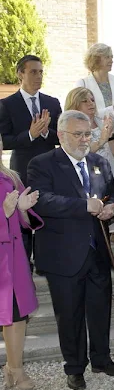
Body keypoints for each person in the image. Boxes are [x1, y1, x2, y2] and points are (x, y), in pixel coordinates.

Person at [28, 110, 114, 390]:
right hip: (63, 254)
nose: (84, 140)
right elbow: (41, 200)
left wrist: (109, 209)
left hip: (97, 250)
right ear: (61, 135)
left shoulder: (98, 163)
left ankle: (102, 359)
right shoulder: (42, 163)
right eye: (78, 134)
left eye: (88, 134)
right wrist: (83, 206)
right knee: (69, 315)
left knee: (99, 308)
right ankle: (74, 367)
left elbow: (112, 193)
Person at [0, 55, 61, 264]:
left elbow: (61, 135)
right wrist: (30, 135)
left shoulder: (52, 103)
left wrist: (45, 133)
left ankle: (47, 261)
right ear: (20, 74)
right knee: (23, 216)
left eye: (41, 72)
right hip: (22, 170)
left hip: (51, 169)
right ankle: (24, 265)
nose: (38, 76)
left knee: (48, 213)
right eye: (33, 72)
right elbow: (4, 140)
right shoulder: (7, 104)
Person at [0, 134, 42, 390]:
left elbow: (25, 222)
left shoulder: (11, 177)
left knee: (17, 316)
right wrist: (3, 214)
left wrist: (23, 209)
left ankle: (14, 368)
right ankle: (13, 369)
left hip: (13, 259)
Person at [64, 87, 114, 249]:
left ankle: (113, 233)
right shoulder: (71, 128)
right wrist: (102, 139)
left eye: (92, 99)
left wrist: (111, 134)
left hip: (108, 169)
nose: (91, 103)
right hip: (88, 174)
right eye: (85, 101)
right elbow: (81, 152)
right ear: (74, 105)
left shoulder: (102, 121)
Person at [75, 43, 114, 131]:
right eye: (107, 57)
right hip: (92, 134)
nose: (111, 60)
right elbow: (80, 112)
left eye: (111, 57)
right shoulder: (83, 83)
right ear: (96, 59)